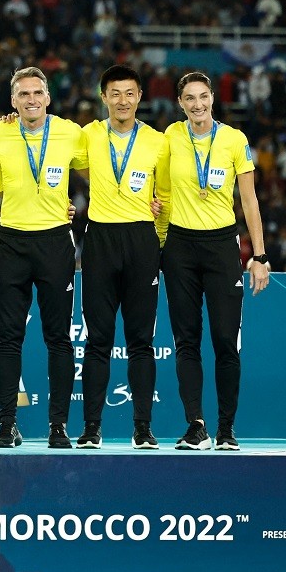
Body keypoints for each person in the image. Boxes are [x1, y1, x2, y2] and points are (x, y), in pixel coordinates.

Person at [158, 71, 270, 451]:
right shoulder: (170, 137)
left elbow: (250, 201)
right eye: (189, 98)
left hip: (223, 246)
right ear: (180, 104)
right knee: (186, 340)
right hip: (180, 248)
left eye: (203, 96)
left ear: (212, 98)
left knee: (226, 340)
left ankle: (226, 429)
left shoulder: (235, 140)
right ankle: (196, 426)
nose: (198, 104)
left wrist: (260, 255)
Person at [0, 67, 88, 449]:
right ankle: (6, 424)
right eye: (23, 94)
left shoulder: (71, 132)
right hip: (11, 242)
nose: (30, 100)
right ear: (13, 101)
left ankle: (58, 426)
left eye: (37, 93)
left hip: (55, 243)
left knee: (58, 338)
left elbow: (102, 171)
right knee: (8, 339)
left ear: (48, 97)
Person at [75, 65, 170, 450]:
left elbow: (163, 193)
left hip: (141, 240)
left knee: (141, 341)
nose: (123, 100)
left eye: (130, 93)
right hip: (99, 239)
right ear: (103, 97)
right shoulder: (88, 135)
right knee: (97, 340)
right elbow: (64, 158)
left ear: (140, 97)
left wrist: (157, 237)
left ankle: (143, 428)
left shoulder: (157, 141)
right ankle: (91, 428)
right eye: (115, 93)